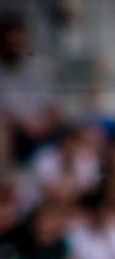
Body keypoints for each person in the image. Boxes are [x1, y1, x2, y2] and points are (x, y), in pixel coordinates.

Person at [0, 14, 62, 167]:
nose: (14, 45)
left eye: (17, 40)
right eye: (9, 42)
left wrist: (41, 125)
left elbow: (54, 108)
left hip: (43, 130)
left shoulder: (40, 67)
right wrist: (24, 124)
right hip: (13, 134)